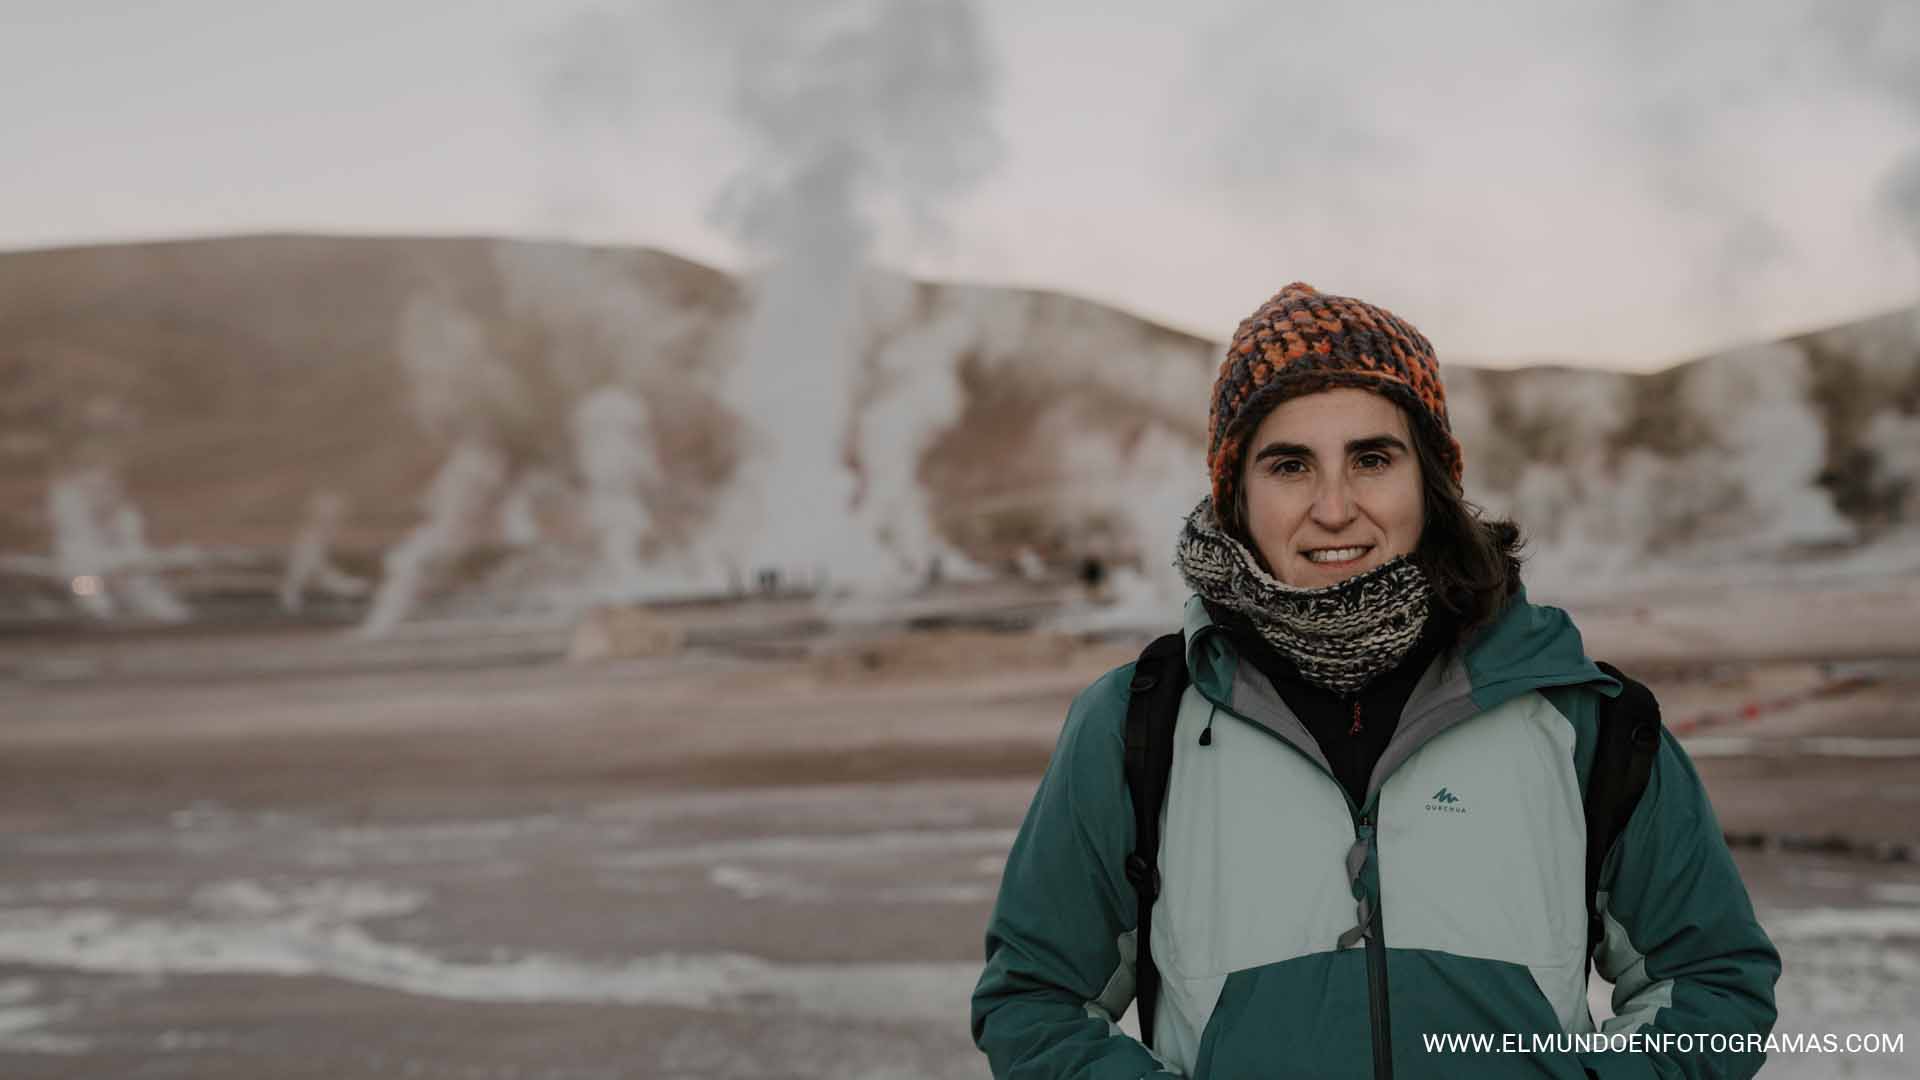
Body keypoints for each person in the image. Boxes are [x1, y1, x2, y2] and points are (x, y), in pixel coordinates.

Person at [970, 283, 1780, 1078]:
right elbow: (1035, 1001)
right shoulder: (1134, 725)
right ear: (1235, 495)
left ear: (1431, 482)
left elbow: (1714, 983)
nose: (1334, 507)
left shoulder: (1581, 718)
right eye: (1290, 465)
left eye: (1372, 458)